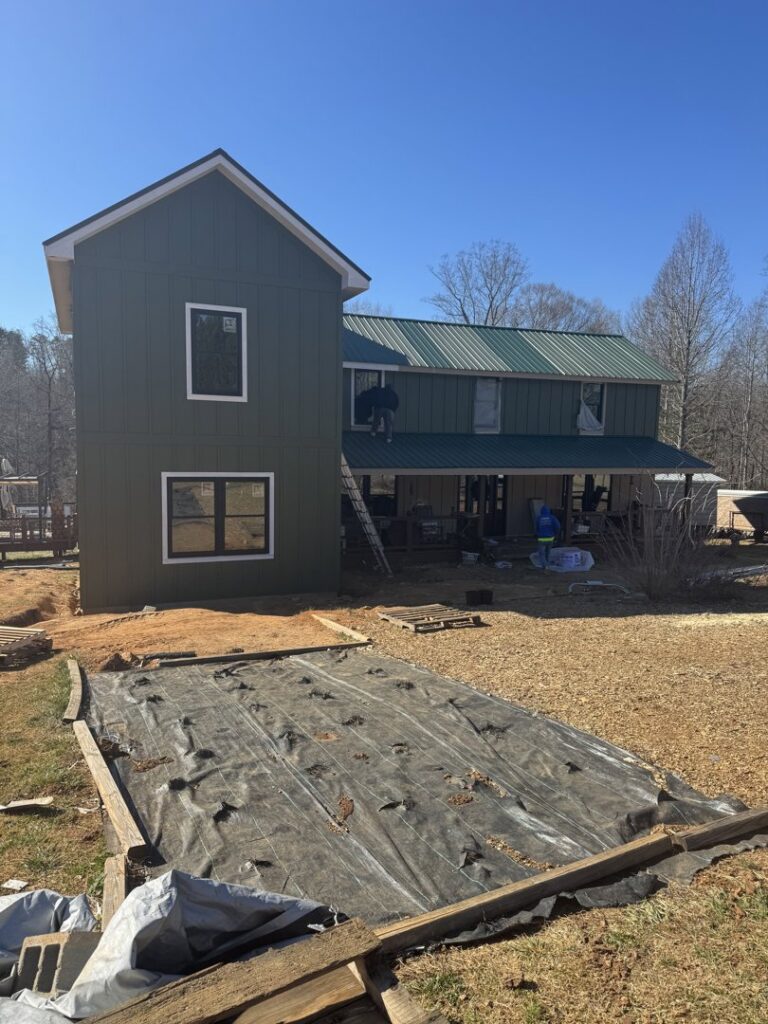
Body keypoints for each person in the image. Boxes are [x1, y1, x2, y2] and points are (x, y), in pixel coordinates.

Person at [535, 504, 561, 568]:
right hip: (550, 538)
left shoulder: (538, 518)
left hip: (541, 539)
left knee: (541, 553)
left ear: (541, 511)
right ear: (549, 511)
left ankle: (544, 566)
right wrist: (556, 534)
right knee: (548, 552)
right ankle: (547, 564)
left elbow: (536, 528)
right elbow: (558, 526)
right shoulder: (552, 518)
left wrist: (537, 534)